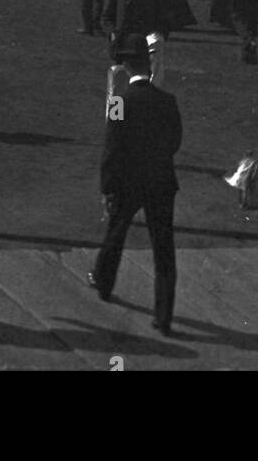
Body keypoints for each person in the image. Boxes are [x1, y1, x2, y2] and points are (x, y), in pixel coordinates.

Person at [89, 33, 182, 336]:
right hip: (160, 181)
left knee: (115, 233)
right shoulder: (167, 101)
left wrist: (108, 187)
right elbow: (174, 141)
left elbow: (111, 148)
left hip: (128, 181)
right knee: (164, 250)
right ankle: (164, 315)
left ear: (127, 68)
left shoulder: (119, 102)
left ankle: (104, 281)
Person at [103, 0, 171, 87]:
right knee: (119, 84)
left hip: (145, 43)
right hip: (123, 43)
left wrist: (156, 36)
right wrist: (112, 33)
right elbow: (106, 17)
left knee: (150, 79)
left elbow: (164, 18)